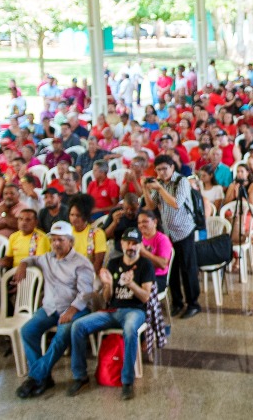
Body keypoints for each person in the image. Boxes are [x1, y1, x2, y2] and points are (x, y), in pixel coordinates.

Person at [68, 227, 154, 401]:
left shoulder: (146, 265)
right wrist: (107, 285)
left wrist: (131, 285)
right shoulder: (113, 263)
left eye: (135, 243)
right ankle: (80, 376)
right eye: (128, 242)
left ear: (140, 245)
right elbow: (107, 298)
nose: (131, 246)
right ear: (121, 244)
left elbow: (145, 298)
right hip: (113, 311)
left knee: (130, 330)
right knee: (78, 326)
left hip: (135, 311)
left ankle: (127, 381)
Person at [15, 221, 94, 399]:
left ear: (71, 242)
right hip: (50, 308)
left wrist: (71, 311)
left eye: (61, 240)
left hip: (75, 309)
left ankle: (35, 377)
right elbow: (32, 258)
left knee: (61, 335)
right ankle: (44, 377)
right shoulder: (47, 258)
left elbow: (86, 293)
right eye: (53, 240)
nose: (56, 244)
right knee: (27, 331)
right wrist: (23, 264)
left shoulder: (81, 263)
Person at [143, 154, 202, 319]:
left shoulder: (181, 181)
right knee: (172, 269)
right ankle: (177, 302)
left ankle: (193, 304)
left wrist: (160, 189)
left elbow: (176, 203)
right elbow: (151, 206)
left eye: (165, 169)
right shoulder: (159, 184)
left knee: (188, 268)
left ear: (172, 168)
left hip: (184, 231)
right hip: (168, 233)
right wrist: (145, 189)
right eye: (159, 169)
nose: (161, 172)